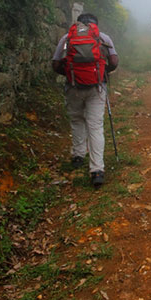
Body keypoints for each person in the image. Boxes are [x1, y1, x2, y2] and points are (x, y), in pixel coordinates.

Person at [51, 13, 118, 189]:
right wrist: (102, 72)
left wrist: (71, 75)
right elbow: (114, 61)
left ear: (79, 24)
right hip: (97, 87)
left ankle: (78, 155)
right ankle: (97, 170)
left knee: (77, 119)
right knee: (95, 126)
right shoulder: (103, 37)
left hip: (73, 87)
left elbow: (55, 64)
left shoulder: (67, 37)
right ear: (95, 25)